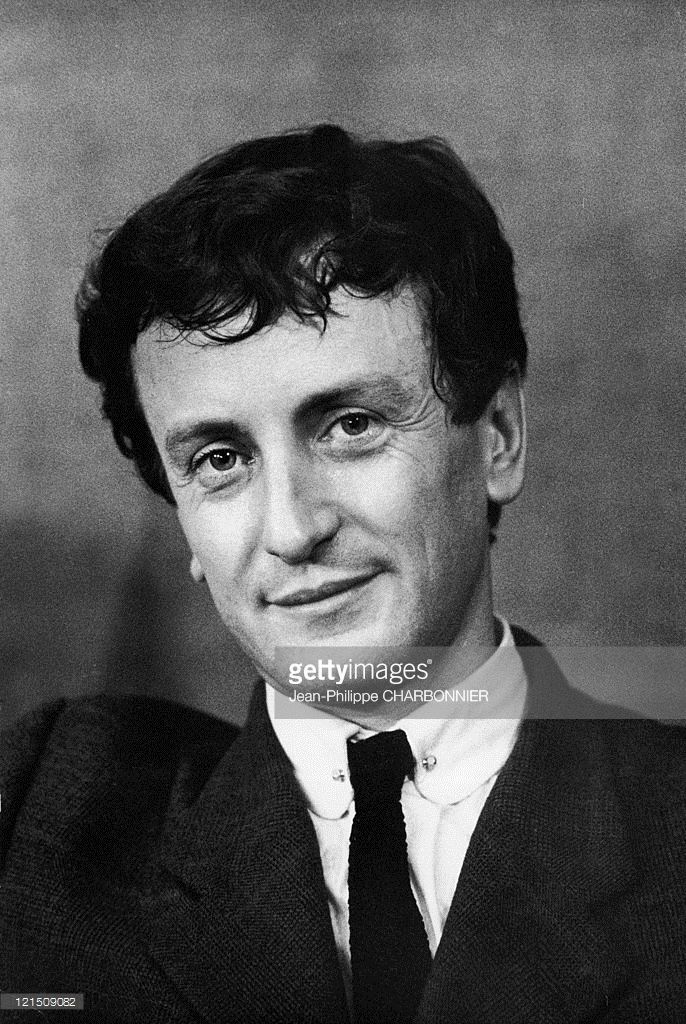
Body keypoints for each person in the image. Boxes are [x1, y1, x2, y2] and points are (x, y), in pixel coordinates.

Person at [1, 124, 684, 1024]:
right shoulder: (50, 818)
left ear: (499, 438)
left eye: (351, 425)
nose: (292, 529)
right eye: (219, 460)